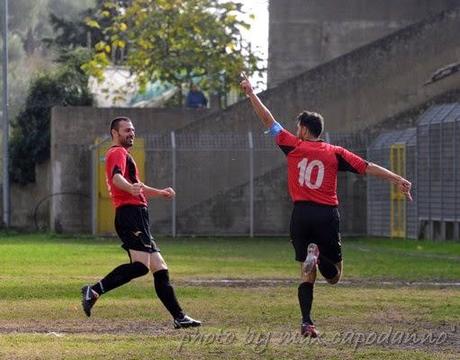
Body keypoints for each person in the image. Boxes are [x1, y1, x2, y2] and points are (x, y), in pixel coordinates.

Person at [240, 73, 412, 338]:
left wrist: (251, 94)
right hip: (325, 215)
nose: (296, 130)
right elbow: (366, 167)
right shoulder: (336, 152)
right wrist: (397, 178)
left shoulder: (292, 145)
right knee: (334, 277)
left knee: (305, 276)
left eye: (298, 127)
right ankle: (319, 259)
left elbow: (268, 120)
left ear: (305, 130)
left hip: (300, 215)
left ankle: (307, 323)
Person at [81, 116, 201, 329]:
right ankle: (95, 289)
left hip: (137, 216)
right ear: (114, 133)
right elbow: (117, 178)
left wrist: (160, 192)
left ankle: (179, 317)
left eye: (133, 130)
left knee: (160, 269)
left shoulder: (125, 154)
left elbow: (137, 185)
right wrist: (129, 188)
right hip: (130, 215)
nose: (131, 133)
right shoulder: (116, 152)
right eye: (126, 130)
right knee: (140, 267)